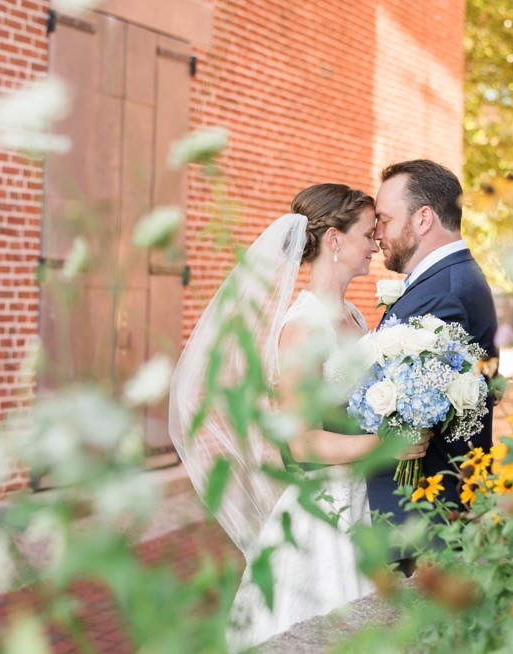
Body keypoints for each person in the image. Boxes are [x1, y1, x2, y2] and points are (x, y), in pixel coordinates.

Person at [168, 183, 428, 653]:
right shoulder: (304, 326)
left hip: (369, 501)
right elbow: (303, 442)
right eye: (368, 234)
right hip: (327, 515)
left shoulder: (353, 315)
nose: (376, 244)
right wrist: (385, 445)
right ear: (333, 239)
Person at [369, 159, 499, 532]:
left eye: (385, 219)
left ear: (423, 219)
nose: (377, 233)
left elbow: (414, 404)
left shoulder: (445, 292)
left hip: (428, 512)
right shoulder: (447, 279)